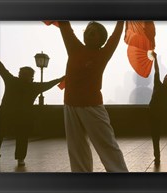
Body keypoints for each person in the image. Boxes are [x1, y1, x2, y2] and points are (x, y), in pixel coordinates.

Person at [58, 21, 128, 172]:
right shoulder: (74, 47)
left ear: (101, 39)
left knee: (107, 145)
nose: (89, 33)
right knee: (76, 150)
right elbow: (65, 26)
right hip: (70, 106)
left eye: (94, 32)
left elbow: (116, 36)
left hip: (93, 107)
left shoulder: (103, 53)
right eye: (88, 31)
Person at [0, 57, 64, 166]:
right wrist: (61, 79)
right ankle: (20, 158)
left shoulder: (11, 80)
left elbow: (1, 67)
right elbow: (49, 84)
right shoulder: (34, 87)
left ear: (19, 74)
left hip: (6, 113)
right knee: (22, 136)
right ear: (32, 77)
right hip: (24, 116)